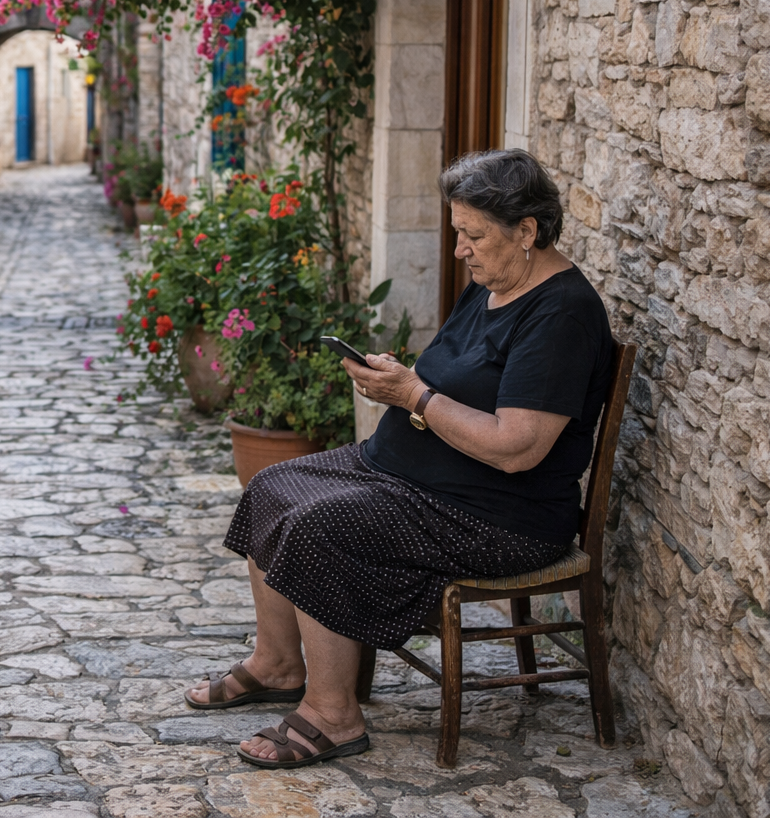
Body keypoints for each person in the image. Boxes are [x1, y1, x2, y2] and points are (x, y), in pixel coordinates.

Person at [185, 148, 614, 769]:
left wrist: (413, 395)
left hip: (496, 514)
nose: (461, 250)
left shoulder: (561, 314)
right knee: (272, 484)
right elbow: (454, 382)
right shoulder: (494, 280)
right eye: (457, 233)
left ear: (527, 231)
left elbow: (518, 449)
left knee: (319, 527)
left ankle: (333, 715)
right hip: (414, 475)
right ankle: (277, 664)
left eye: (473, 235)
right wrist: (403, 380)